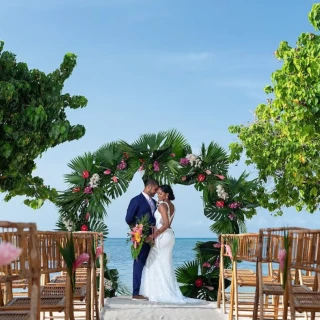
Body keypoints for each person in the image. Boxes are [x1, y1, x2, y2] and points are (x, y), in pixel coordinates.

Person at [140, 184, 199, 303]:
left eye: (161, 193)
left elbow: (165, 224)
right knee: (165, 263)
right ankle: (167, 290)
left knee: (154, 262)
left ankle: (157, 292)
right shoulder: (172, 206)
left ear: (167, 194)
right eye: (158, 194)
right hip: (169, 236)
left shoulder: (162, 205)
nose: (158, 195)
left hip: (162, 235)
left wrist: (153, 235)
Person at [125, 179, 159, 300]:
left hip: (155, 236)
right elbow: (128, 218)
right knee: (139, 263)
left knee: (153, 263)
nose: (156, 192)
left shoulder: (155, 202)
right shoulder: (136, 200)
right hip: (140, 236)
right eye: (155, 190)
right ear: (149, 187)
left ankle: (152, 290)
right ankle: (135, 292)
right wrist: (137, 231)